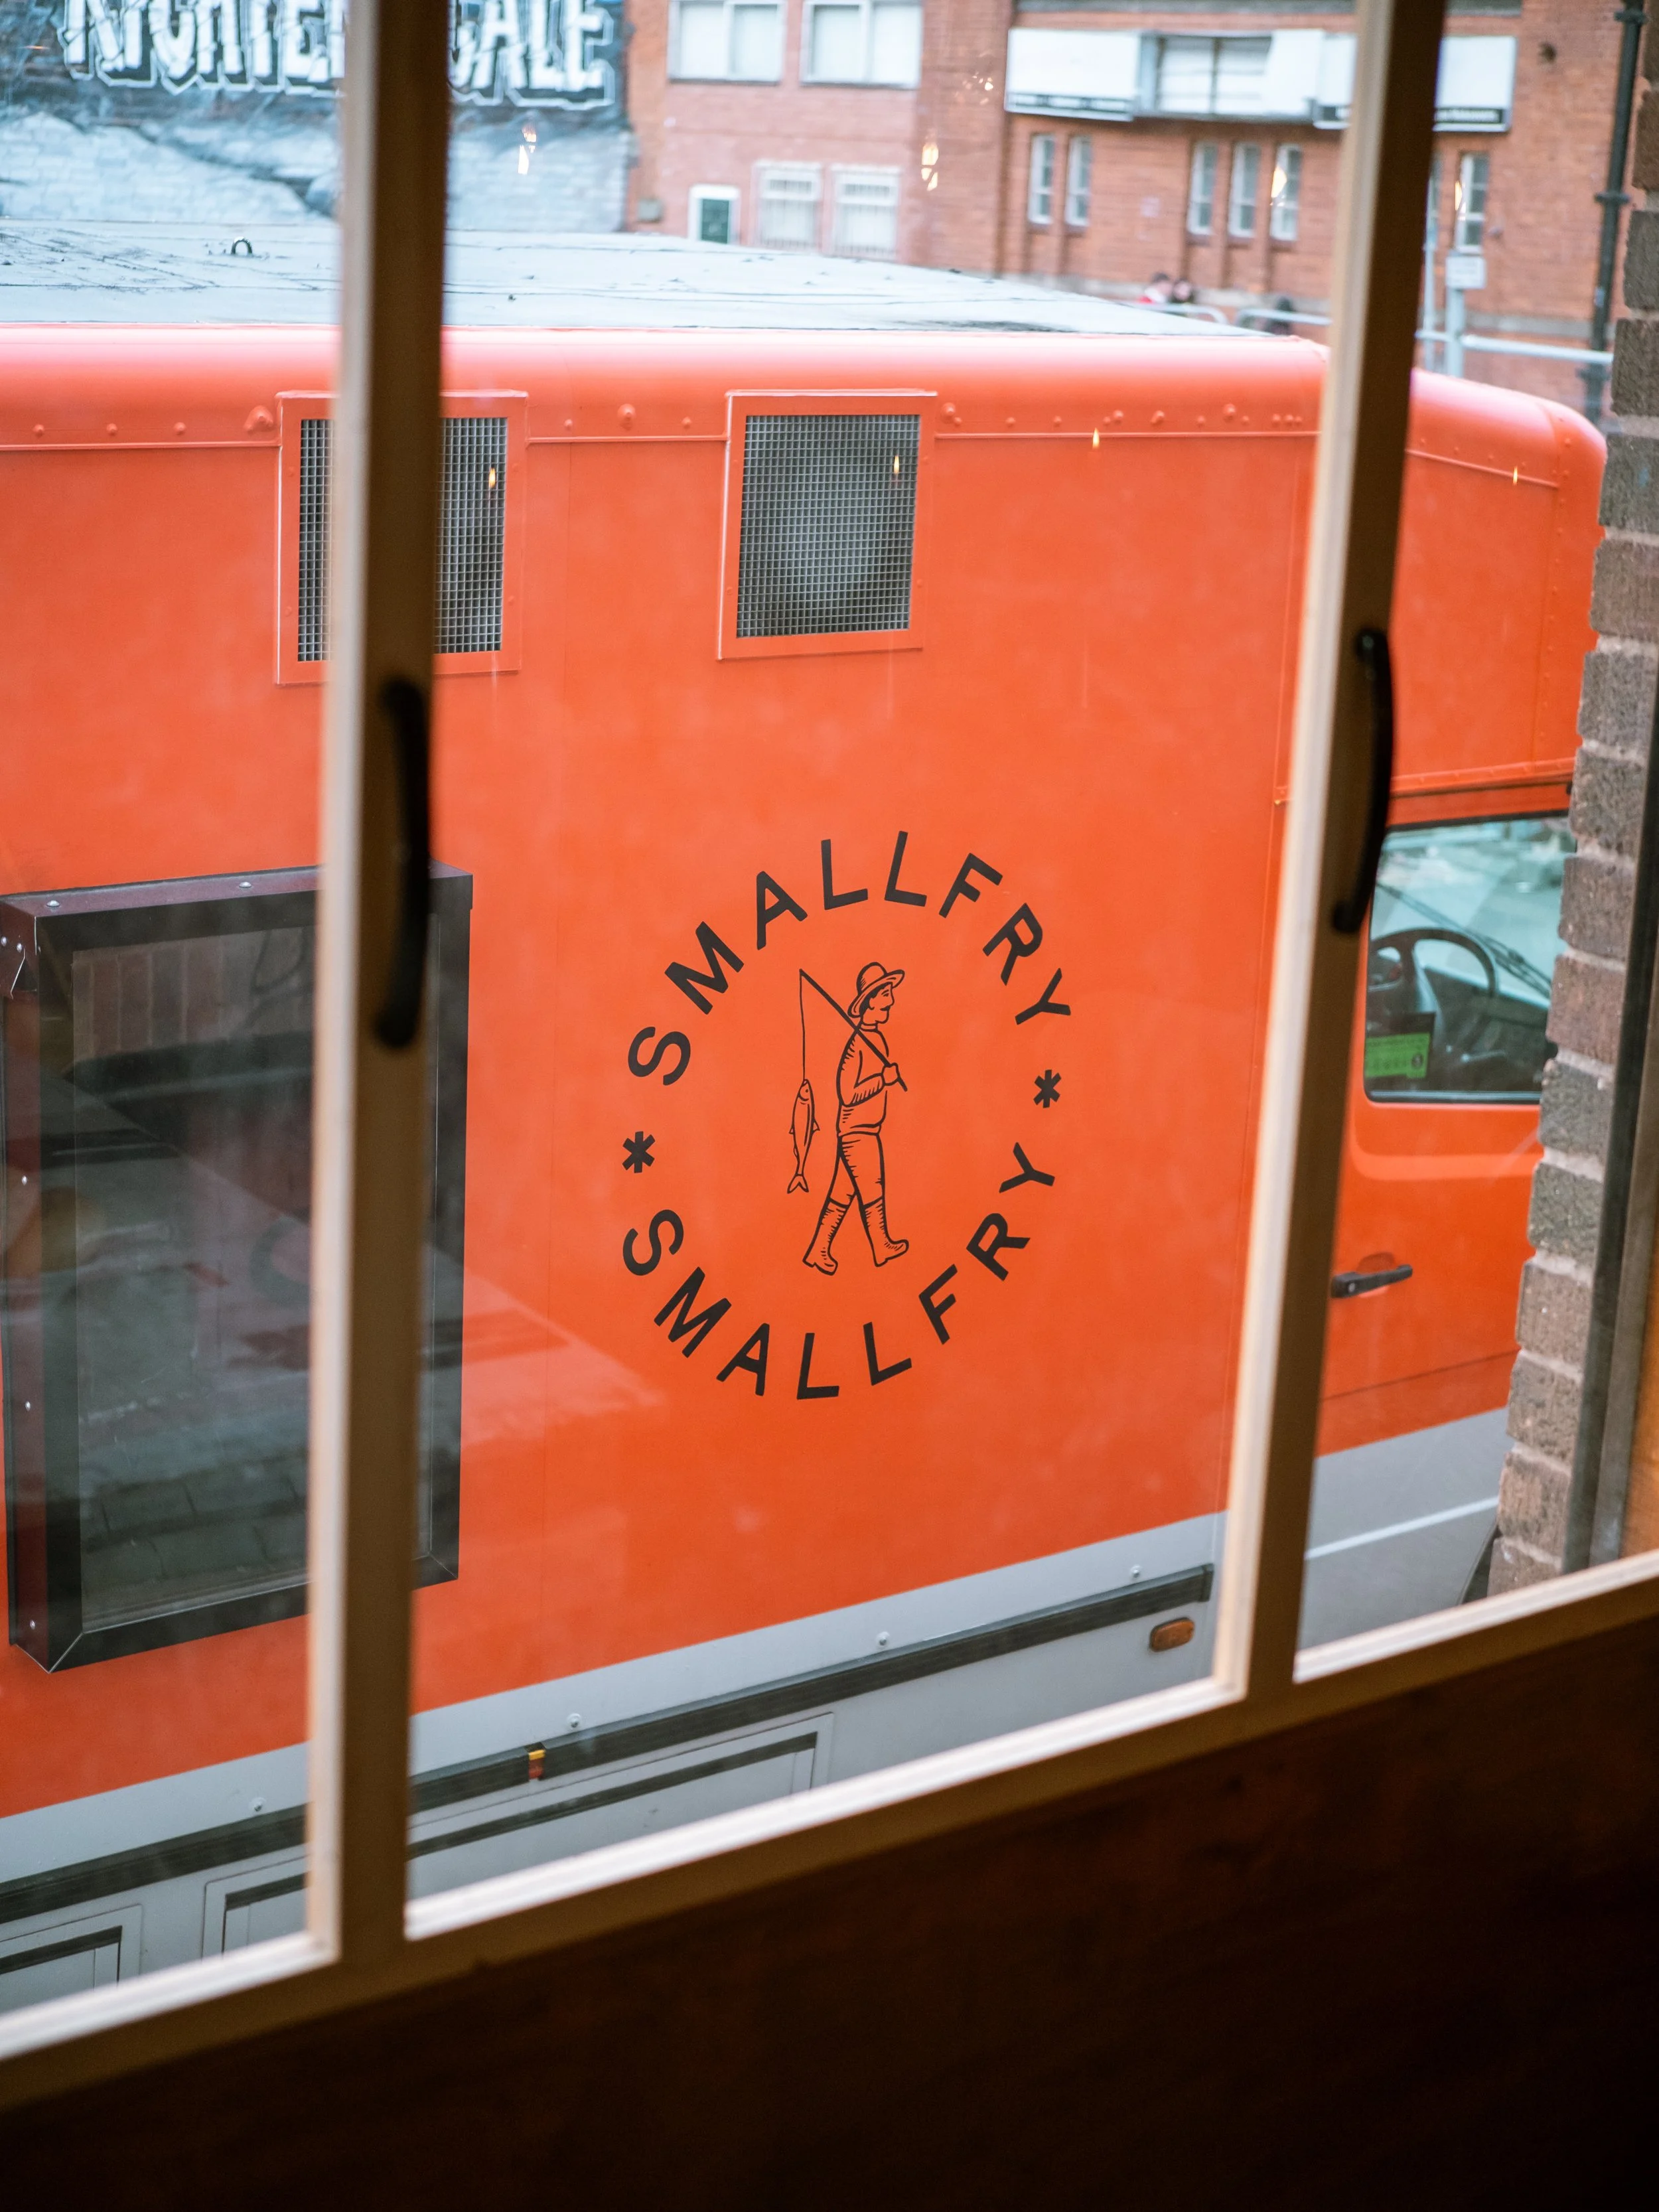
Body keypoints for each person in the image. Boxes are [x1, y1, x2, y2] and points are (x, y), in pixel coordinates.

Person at [804, 962, 908, 1275]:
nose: (891, 1000)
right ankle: (881, 1247)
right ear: (870, 1000)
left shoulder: (876, 1039)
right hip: (858, 1132)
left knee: (842, 1194)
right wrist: (883, 1081)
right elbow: (846, 1093)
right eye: (886, 993)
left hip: (862, 1130)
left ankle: (818, 1250)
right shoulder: (858, 1045)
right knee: (872, 1189)